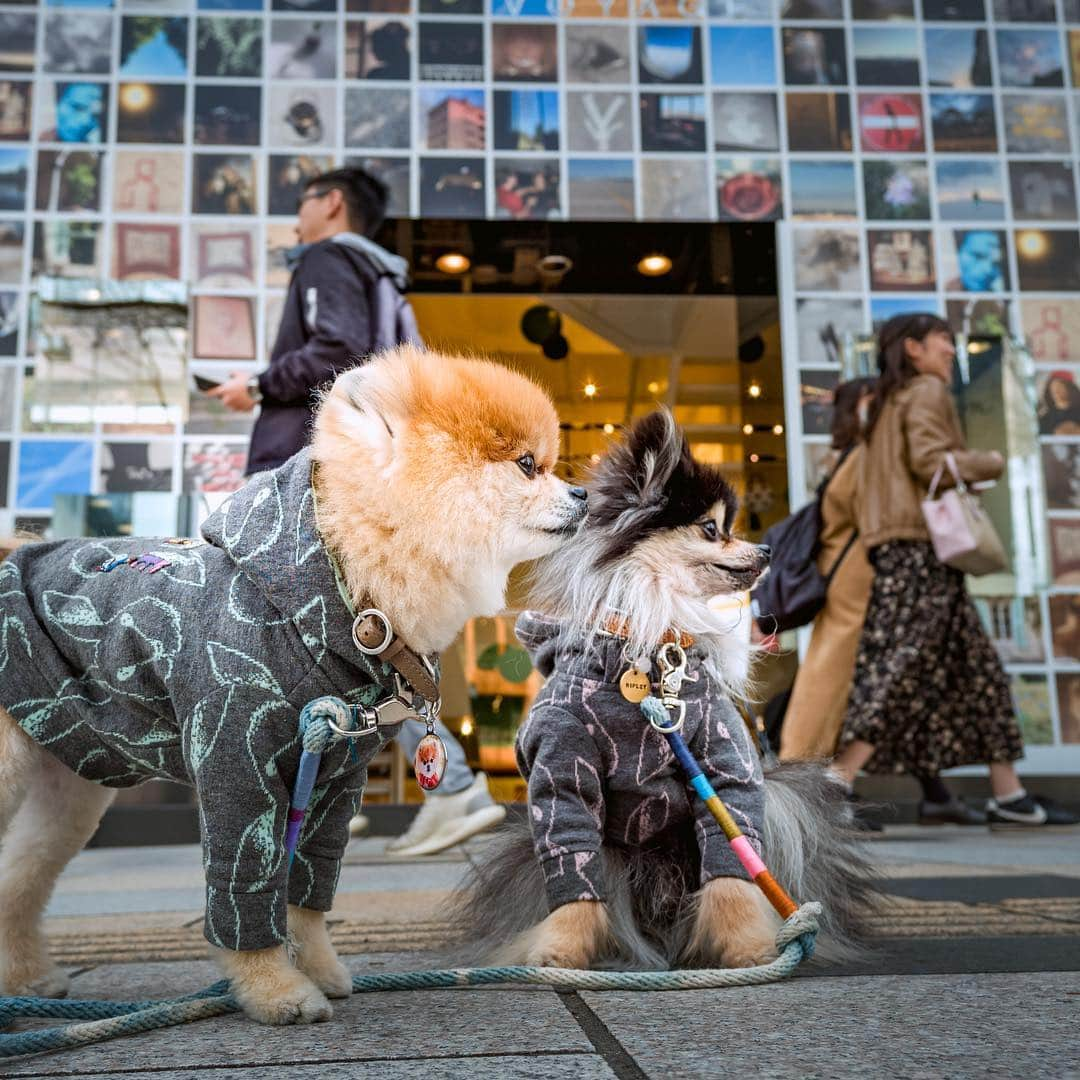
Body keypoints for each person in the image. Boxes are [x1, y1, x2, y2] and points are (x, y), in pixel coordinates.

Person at [211, 166, 507, 855]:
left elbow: (335, 350)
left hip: (317, 469)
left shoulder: (326, 257)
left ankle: (445, 788)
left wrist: (255, 384)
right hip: (367, 466)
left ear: (332, 203)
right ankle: (332, 799)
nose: (295, 217)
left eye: (301, 201)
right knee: (349, 629)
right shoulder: (382, 276)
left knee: (312, 629)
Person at [830, 313, 1078, 827]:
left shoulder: (889, 401)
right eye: (943, 338)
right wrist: (988, 461)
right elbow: (929, 460)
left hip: (908, 550)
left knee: (976, 670)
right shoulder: (923, 392)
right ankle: (836, 785)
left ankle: (1008, 795)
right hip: (919, 552)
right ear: (914, 348)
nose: (951, 348)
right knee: (899, 667)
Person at [779, 379, 875, 762]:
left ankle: (809, 765)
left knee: (850, 677)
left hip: (846, 575)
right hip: (852, 577)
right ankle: (799, 764)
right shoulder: (862, 456)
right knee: (831, 673)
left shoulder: (849, 455)